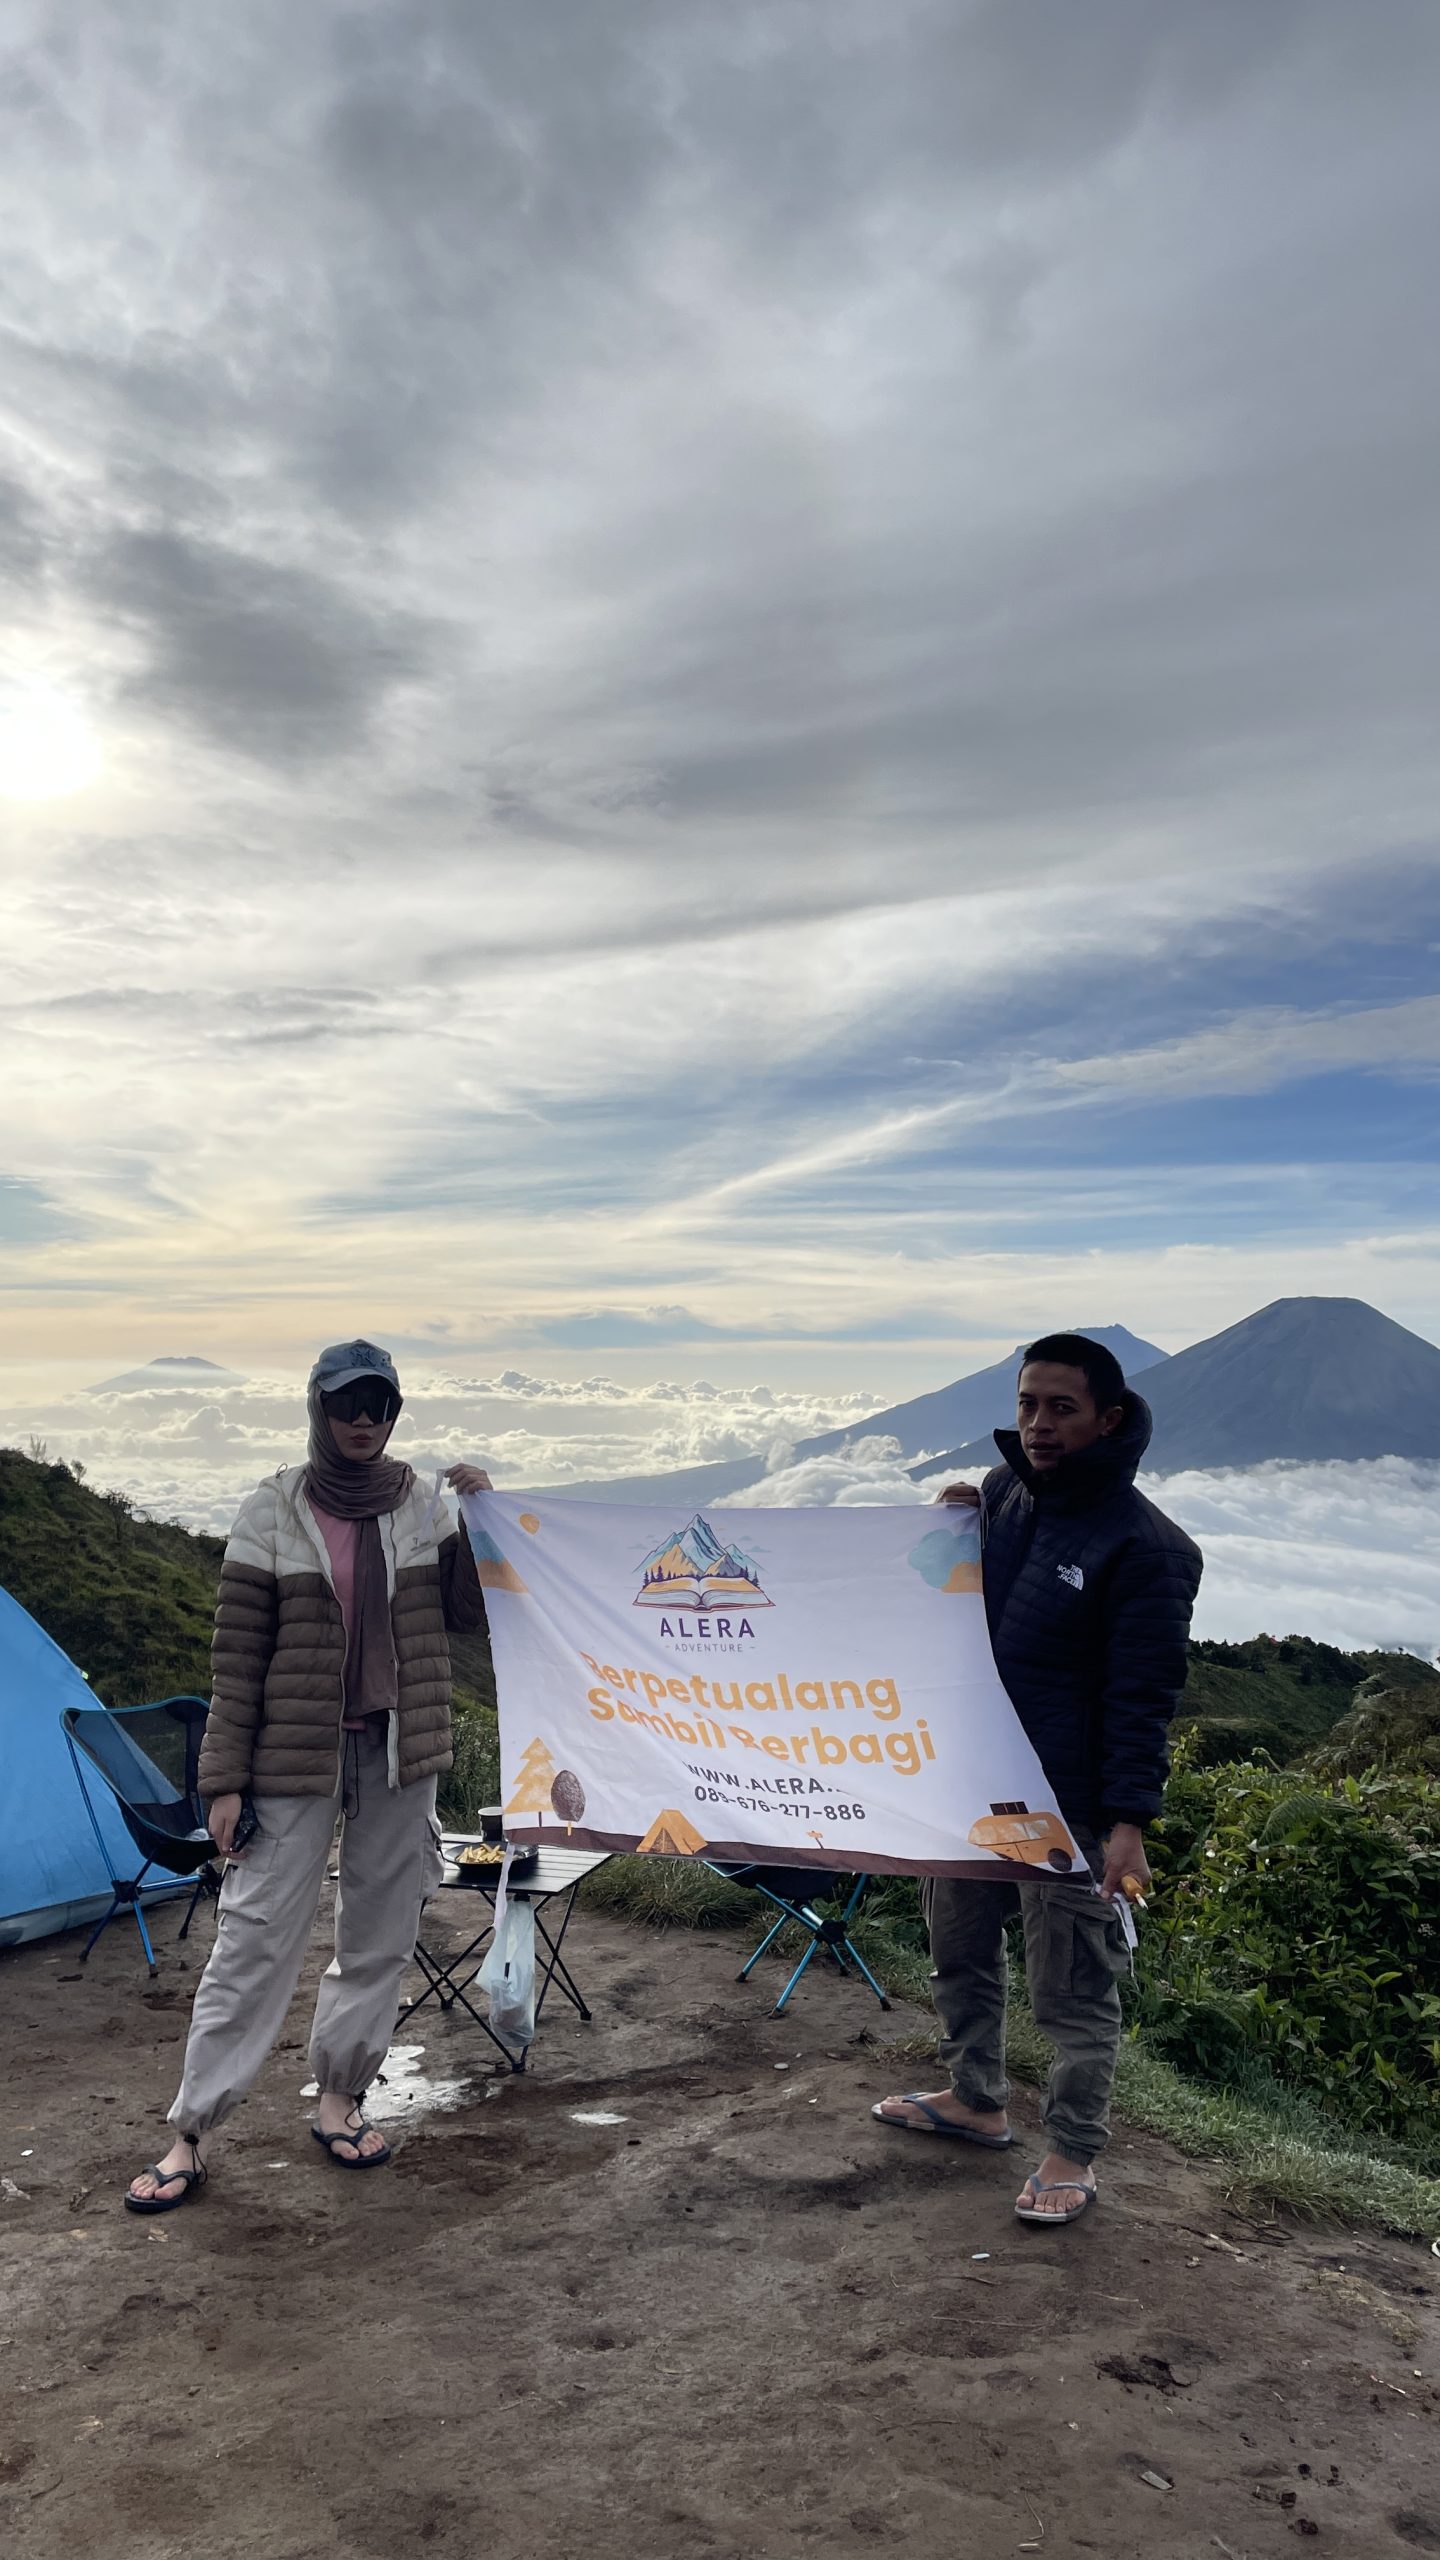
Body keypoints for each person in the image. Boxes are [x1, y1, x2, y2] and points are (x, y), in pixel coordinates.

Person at [125, 1340, 492, 2212]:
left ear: (396, 1412)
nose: (363, 1420)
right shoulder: (274, 1508)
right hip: (291, 1758)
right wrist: (221, 1781)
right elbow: (237, 1658)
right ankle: (192, 2132)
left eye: (379, 1405)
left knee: (378, 1933)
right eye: (346, 1404)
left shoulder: (426, 1507)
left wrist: (484, 1521)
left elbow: (470, 1617)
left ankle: (339, 2098)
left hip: (401, 1754)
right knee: (252, 1941)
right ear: (317, 1409)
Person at [873, 1332, 1202, 2224]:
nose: (1040, 1424)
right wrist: (954, 1530)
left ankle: (1073, 2151)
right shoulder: (1003, 1495)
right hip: (970, 1779)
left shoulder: (1150, 1548)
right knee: (959, 1949)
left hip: (1071, 1805)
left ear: (1110, 1417)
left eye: (1061, 1407)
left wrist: (1128, 1823)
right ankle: (976, 2100)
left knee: (1070, 1987)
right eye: (1027, 1404)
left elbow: (1145, 1697)